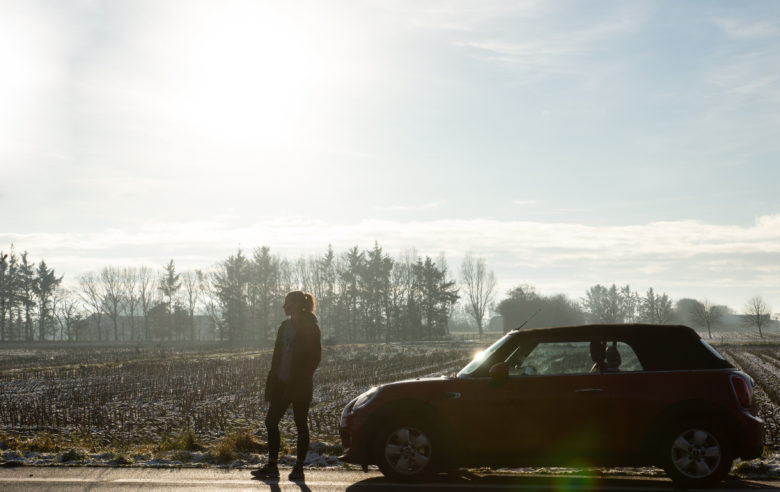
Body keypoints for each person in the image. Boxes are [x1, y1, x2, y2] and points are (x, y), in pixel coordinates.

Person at [252, 291, 321, 481]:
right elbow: (278, 355)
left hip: (299, 384)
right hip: (281, 383)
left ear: (298, 305)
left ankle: (298, 468)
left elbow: (315, 357)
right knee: (271, 422)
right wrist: (274, 376)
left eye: (287, 303)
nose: (284, 307)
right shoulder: (284, 327)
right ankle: (272, 465)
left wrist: (302, 377)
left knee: (301, 425)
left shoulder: (310, 327)